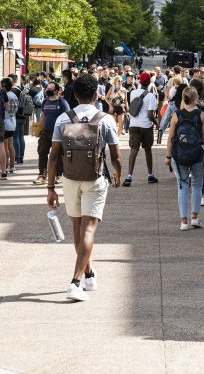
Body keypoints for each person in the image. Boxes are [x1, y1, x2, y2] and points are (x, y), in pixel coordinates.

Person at [47, 74, 122, 302]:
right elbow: (115, 154)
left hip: (69, 178)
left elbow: (53, 156)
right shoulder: (105, 119)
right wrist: (118, 172)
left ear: (75, 94)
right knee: (88, 230)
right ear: (97, 94)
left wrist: (50, 186)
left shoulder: (63, 119)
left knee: (78, 229)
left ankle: (88, 274)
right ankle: (75, 282)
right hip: (95, 178)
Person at [165, 87, 204, 230]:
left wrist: (168, 156)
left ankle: (184, 221)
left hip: (180, 155)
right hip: (197, 154)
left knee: (182, 186)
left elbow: (171, 138)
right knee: (197, 184)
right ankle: (195, 217)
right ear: (196, 97)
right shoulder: (201, 115)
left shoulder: (176, 115)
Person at [123, 72, 159, 186]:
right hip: (146, 126)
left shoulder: (133, 93)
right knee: (148, 150)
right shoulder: (151, 96)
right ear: (149, 82)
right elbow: (150, 115)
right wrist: (157, 123)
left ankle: (129, 176)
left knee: (134, 150)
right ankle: (150, 175)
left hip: (134, 125)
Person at [34, 81, 70, 186]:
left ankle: (59, 175)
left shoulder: (62, 102)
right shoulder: (45, 102)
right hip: (46, 132)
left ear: (56, 91)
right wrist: (39, 128)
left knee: (59, 154)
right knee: (42, 151)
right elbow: (42, 115)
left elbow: (68, 116)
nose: (47, 90)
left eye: (50, 88)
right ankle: (42, 175)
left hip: (59, 133)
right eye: (47, 88)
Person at [1, 77, 19, 174]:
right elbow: (16, 108)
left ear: (3, 86)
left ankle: (5, 167)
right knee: (10, 145)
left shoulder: (4, 95)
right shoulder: (14, 95)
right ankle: (12, 166)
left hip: (5, 122)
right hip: (13, 121)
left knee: (4, 146)